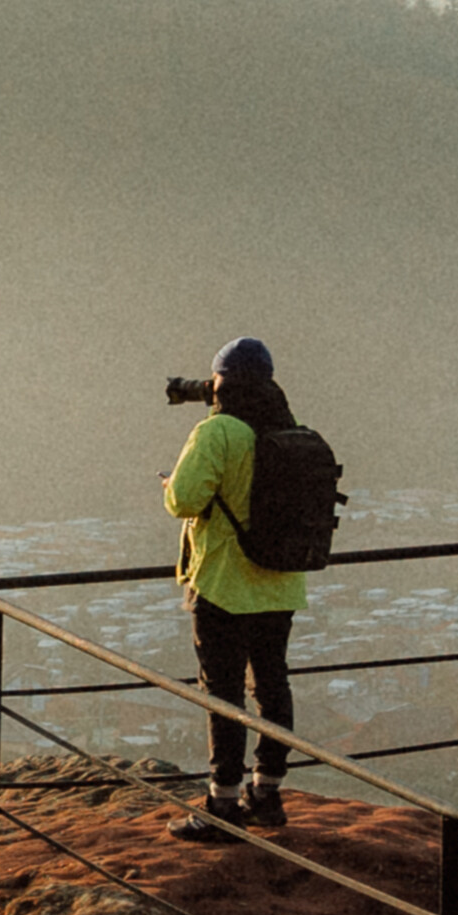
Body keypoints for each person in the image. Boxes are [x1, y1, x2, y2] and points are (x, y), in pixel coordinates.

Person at [162, 338, 308, 835]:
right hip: (280, 583)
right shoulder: (286, 430)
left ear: (221, 382)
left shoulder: (218, 432)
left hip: (224, 581)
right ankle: (266, 794)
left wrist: (170, 485)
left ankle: (221, 804)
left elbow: (184, 501)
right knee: (272, 687)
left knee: (222, 694)